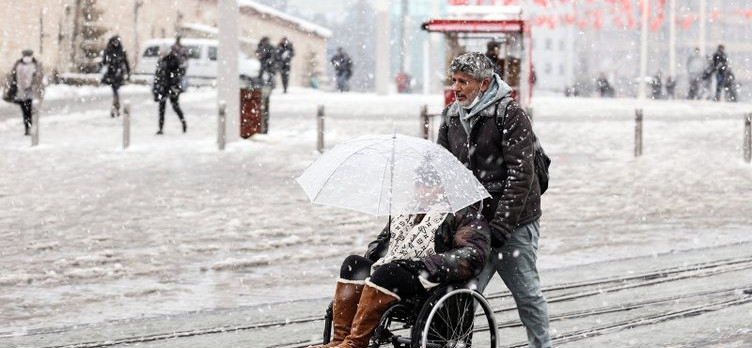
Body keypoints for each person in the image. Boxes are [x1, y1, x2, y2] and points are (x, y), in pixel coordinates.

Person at [437, 52, 551, 348]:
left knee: (526, 295)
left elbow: (521, 175)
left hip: (515, 224)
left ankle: (542, 345)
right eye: (454, 81)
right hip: (474, 225)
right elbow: (444, 168)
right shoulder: (451, 116)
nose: (457, 87)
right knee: (463, 297)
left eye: (464, 81)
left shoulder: (509, 113)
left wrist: (501, 226)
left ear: (484, 83)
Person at [306, 172, 490, 348]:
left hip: (428, 279)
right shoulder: (407, 212)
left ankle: (355, 343)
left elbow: (473, 255)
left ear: (443, 188)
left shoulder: (463, 213)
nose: (421, 191)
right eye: (418, 185)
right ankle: (339, 340)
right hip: (397, 270)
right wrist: (376, 251)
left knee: (388, 273)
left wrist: (425, 265)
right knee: (353, 263)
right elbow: (383, 241)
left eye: (429, 185)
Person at [3, 49, 45, 136]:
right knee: (24, 110)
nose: (27, 58)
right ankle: (27, 127)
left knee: (29, 109)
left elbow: (39, 78)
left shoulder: (36, 65)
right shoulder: (18, 64)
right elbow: (12, 76)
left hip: (31, 92)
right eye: (25, 56)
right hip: (20, 92)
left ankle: (30, 127)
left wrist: (35, 86)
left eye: (28, 56)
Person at [152, 46, 186, 135]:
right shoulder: (161, 61)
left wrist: (174, 84)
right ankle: (160, 128)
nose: (161, 55)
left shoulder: (174, 59)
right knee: (161, 108)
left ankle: (183, 123)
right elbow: (158, 75)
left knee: (175, 106)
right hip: (163, 87)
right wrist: (155, 89)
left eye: (162, 53)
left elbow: (178, 73)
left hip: (172, 87)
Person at [100, 35, 131, 117]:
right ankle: (116, 107)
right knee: (115, 91)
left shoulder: (120, 51)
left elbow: (126, 63)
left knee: (115, 91)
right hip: (112, 74)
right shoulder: (109, 51)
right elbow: (103, 62)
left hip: (118, 74)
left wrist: (128, 73)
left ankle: (115, 107)